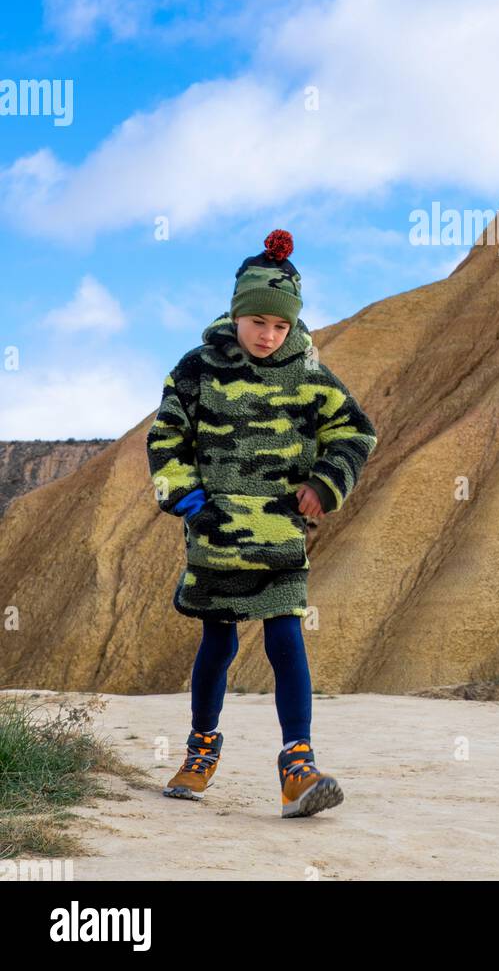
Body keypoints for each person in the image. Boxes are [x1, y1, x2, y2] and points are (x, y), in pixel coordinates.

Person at [145, 228, 377, 817]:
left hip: (279, 537)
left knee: (285, 639)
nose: (269, 336)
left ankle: (297, 765)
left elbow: (355, 432)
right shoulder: (195, 370)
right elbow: (165, 438)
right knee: (217, 644)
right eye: (258, 323)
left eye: (280, 326)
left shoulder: (309, 374)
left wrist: (325, 484)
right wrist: (189, 500)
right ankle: (201, 749)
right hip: (217, 535)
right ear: (236, 313)